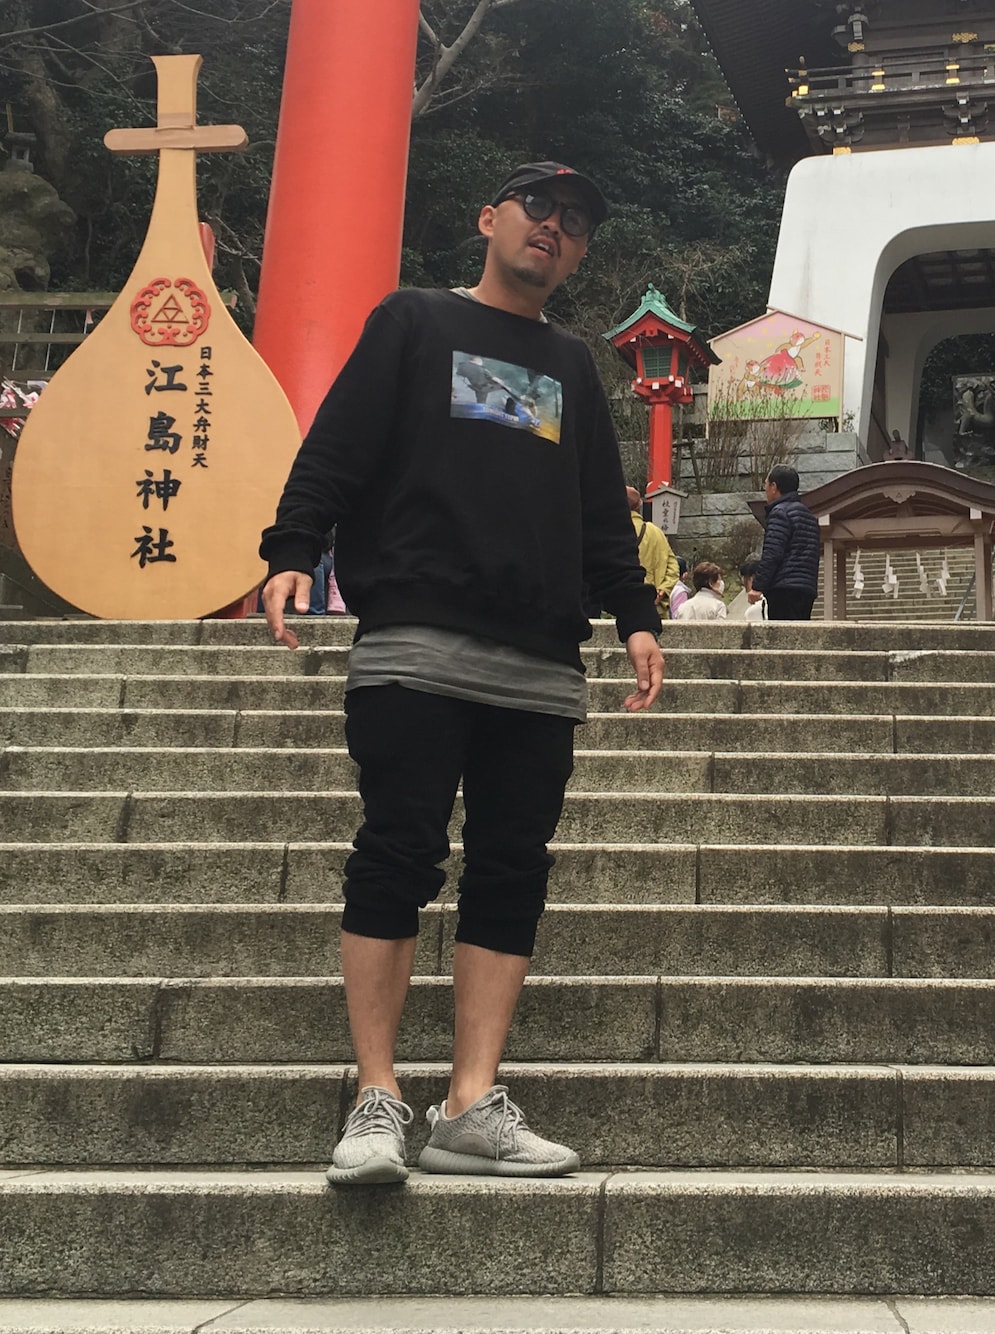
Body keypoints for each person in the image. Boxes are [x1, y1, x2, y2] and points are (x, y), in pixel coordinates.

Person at [259, 160, 664, 1187]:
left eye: (575, 222)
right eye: (539, 207)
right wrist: (294, 545)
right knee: (396, 852)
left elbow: (597, 508)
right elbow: (339, 444)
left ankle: (469, 1102)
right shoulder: (414, 321)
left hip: (539, 658)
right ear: (489, 218)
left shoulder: (571, 365)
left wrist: (636, 615)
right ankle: (376, 1096)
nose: (554, 227)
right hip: (417, 636)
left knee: (511, 866)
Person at [749, 465, 820, 621]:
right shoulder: (809, 516)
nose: (765, 489)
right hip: (806, 588)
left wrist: (757, 586)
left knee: (781, 633)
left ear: (774, 487)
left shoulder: (780, 512)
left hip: (783, 587)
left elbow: (772, 553)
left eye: (766, 484)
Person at [625, 485, 679, 618]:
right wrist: (663, 590)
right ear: (640, 505)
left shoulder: (613, 532)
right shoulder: (655, 531)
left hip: (623, 606)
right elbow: (673, 567)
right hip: (653, 604)